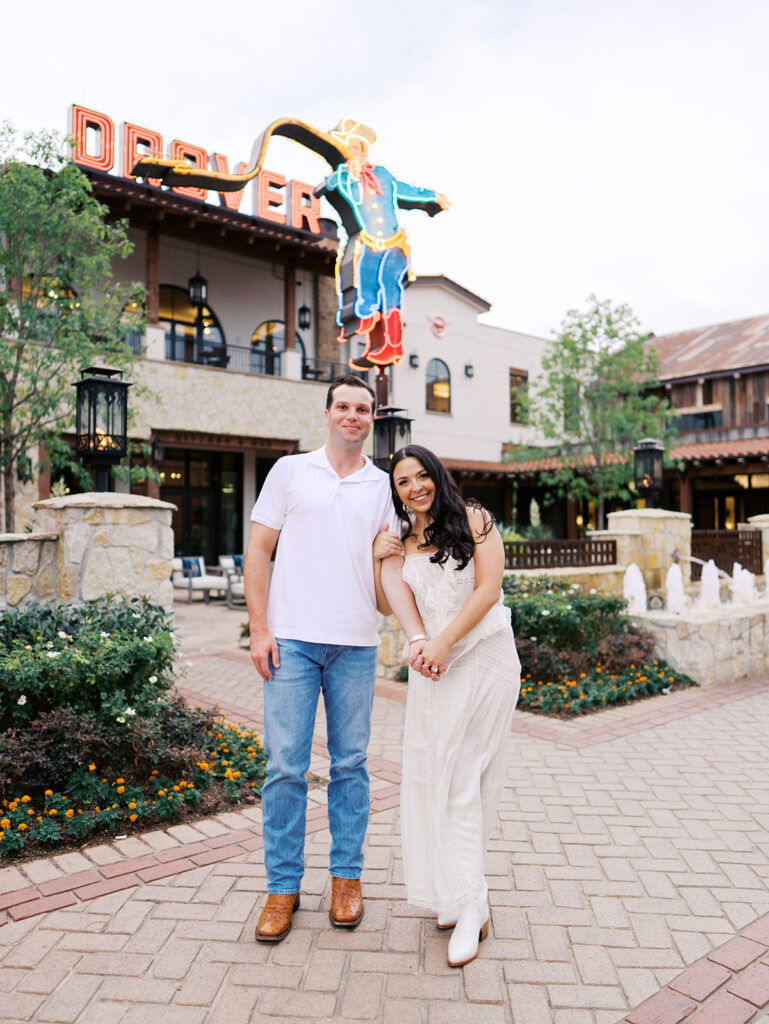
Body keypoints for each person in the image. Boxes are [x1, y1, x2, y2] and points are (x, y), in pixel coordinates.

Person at [245, 376, 429, 943]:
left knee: (351, 766)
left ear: (372, 419)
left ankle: (347, 879)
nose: (353, 415)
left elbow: (390, 574)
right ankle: (283, 887)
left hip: (354, 643)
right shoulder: (290, 472)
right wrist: (259, 627)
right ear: (327, 414)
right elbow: (259, 548)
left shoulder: (384, 488)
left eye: (362, 408)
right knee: (285, 769)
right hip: (292, 641)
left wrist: (415, 627)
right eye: (343, 406)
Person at [373, 444, 521, 967]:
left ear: (436, 476)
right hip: (435, 670)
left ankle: (470, 906)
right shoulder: (401, 541)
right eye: (402, 482)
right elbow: (393, 603)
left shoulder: (475, 518)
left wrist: (444, 642)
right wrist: (381, 561)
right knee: (437, 782)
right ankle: (464, 895)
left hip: (484, 657)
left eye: (421, 476)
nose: (414, 487)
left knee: (463, 782)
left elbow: (488, 590)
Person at [317, 118, 450, 368]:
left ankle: (392, 345)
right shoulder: (348, 179)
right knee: (365, 286)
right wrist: (338, 176)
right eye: (347, 150)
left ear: (364, 149)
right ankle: (370, 330)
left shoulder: (382, 174)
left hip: (394, 243)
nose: (352, 154)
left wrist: (431, 196)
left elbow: (404, 189)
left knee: (391, 289)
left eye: (355, 148)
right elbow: (333, 183)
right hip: (369, 244)